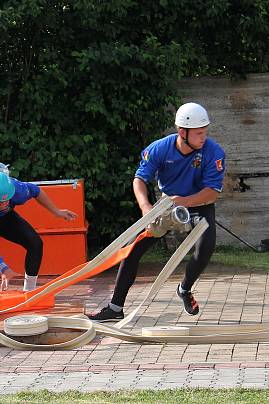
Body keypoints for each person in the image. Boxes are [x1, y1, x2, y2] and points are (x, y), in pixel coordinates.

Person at [88, 102, 226, 321]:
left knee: (205, 249)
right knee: (132, 250)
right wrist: (146, 208)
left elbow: (211, 193)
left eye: (205, 132)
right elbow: (139, 179)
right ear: (182, 132)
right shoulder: (159, 148)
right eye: (199, 133)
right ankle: (115, 309)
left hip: (200, 205)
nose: (204, 137)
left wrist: (184, 201)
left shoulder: (214, 152)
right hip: (166, 207)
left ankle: (184, 289)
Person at [0, 172, 77, 292]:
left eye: (6, 201)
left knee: (35, 243)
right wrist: (2, 267)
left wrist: (56, 211)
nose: (3, 204)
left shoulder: (18, 190)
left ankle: (29, 291)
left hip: (4, 217)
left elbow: (36, 191)